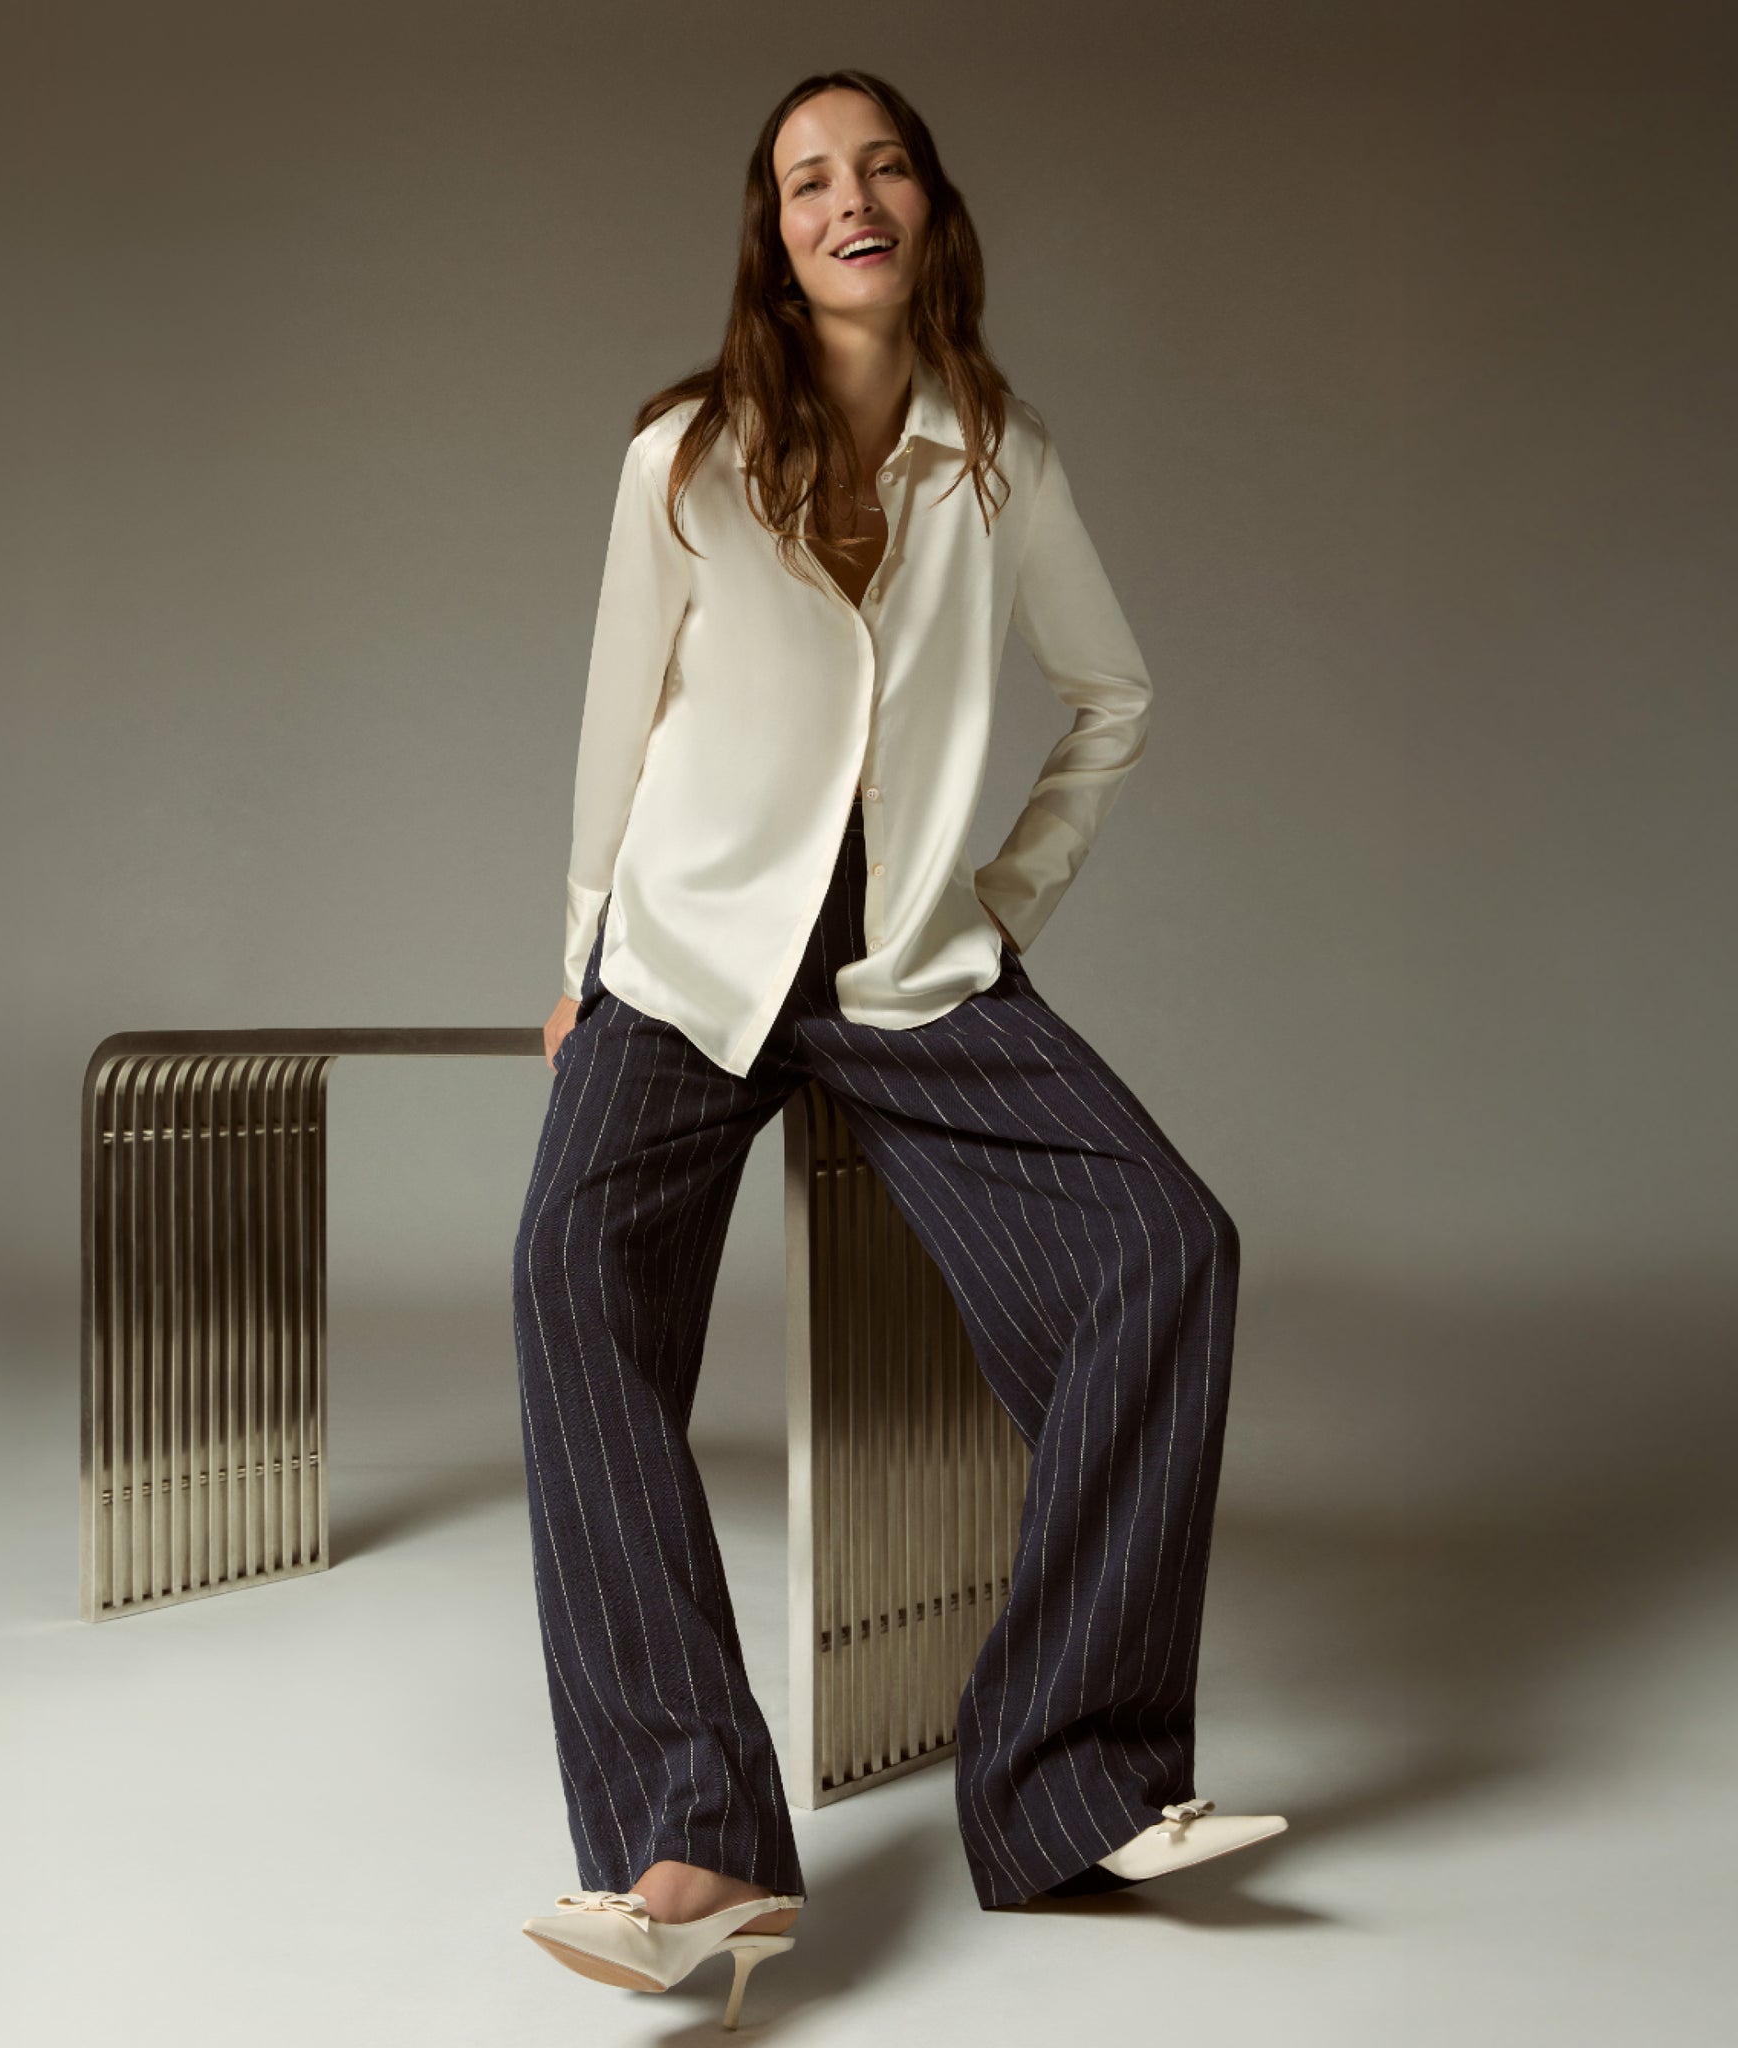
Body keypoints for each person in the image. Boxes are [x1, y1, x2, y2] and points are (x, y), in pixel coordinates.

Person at [509, 68, 1286, 2026]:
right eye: (803, 181)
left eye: (880, 167)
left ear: (929, 208)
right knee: (568, 1281)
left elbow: (1109, 701)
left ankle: (1067, 1783)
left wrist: (997, 906)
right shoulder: (678, 455)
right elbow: (618, 718)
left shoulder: (1003, 462)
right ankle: (699, 1835)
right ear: (770, 237)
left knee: (1163, 1250)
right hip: (684, 966)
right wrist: (578, 948)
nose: (845, 198)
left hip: (913, 975)